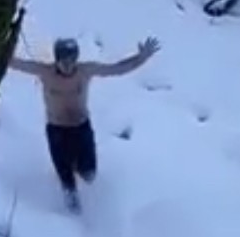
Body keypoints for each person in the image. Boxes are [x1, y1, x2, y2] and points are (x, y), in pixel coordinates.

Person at [9, 35, 160, 211]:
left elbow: (116, 69)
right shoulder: (45, 72)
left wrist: (140, 58)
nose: (68, 66)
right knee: (67, 181)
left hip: (81, 128)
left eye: (71, 61)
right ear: (57, 60)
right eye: (64, 62)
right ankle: (69, 218)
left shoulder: (85, 71)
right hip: (56, 130)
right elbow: (15, 64)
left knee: (89, 173)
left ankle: (94, 205)